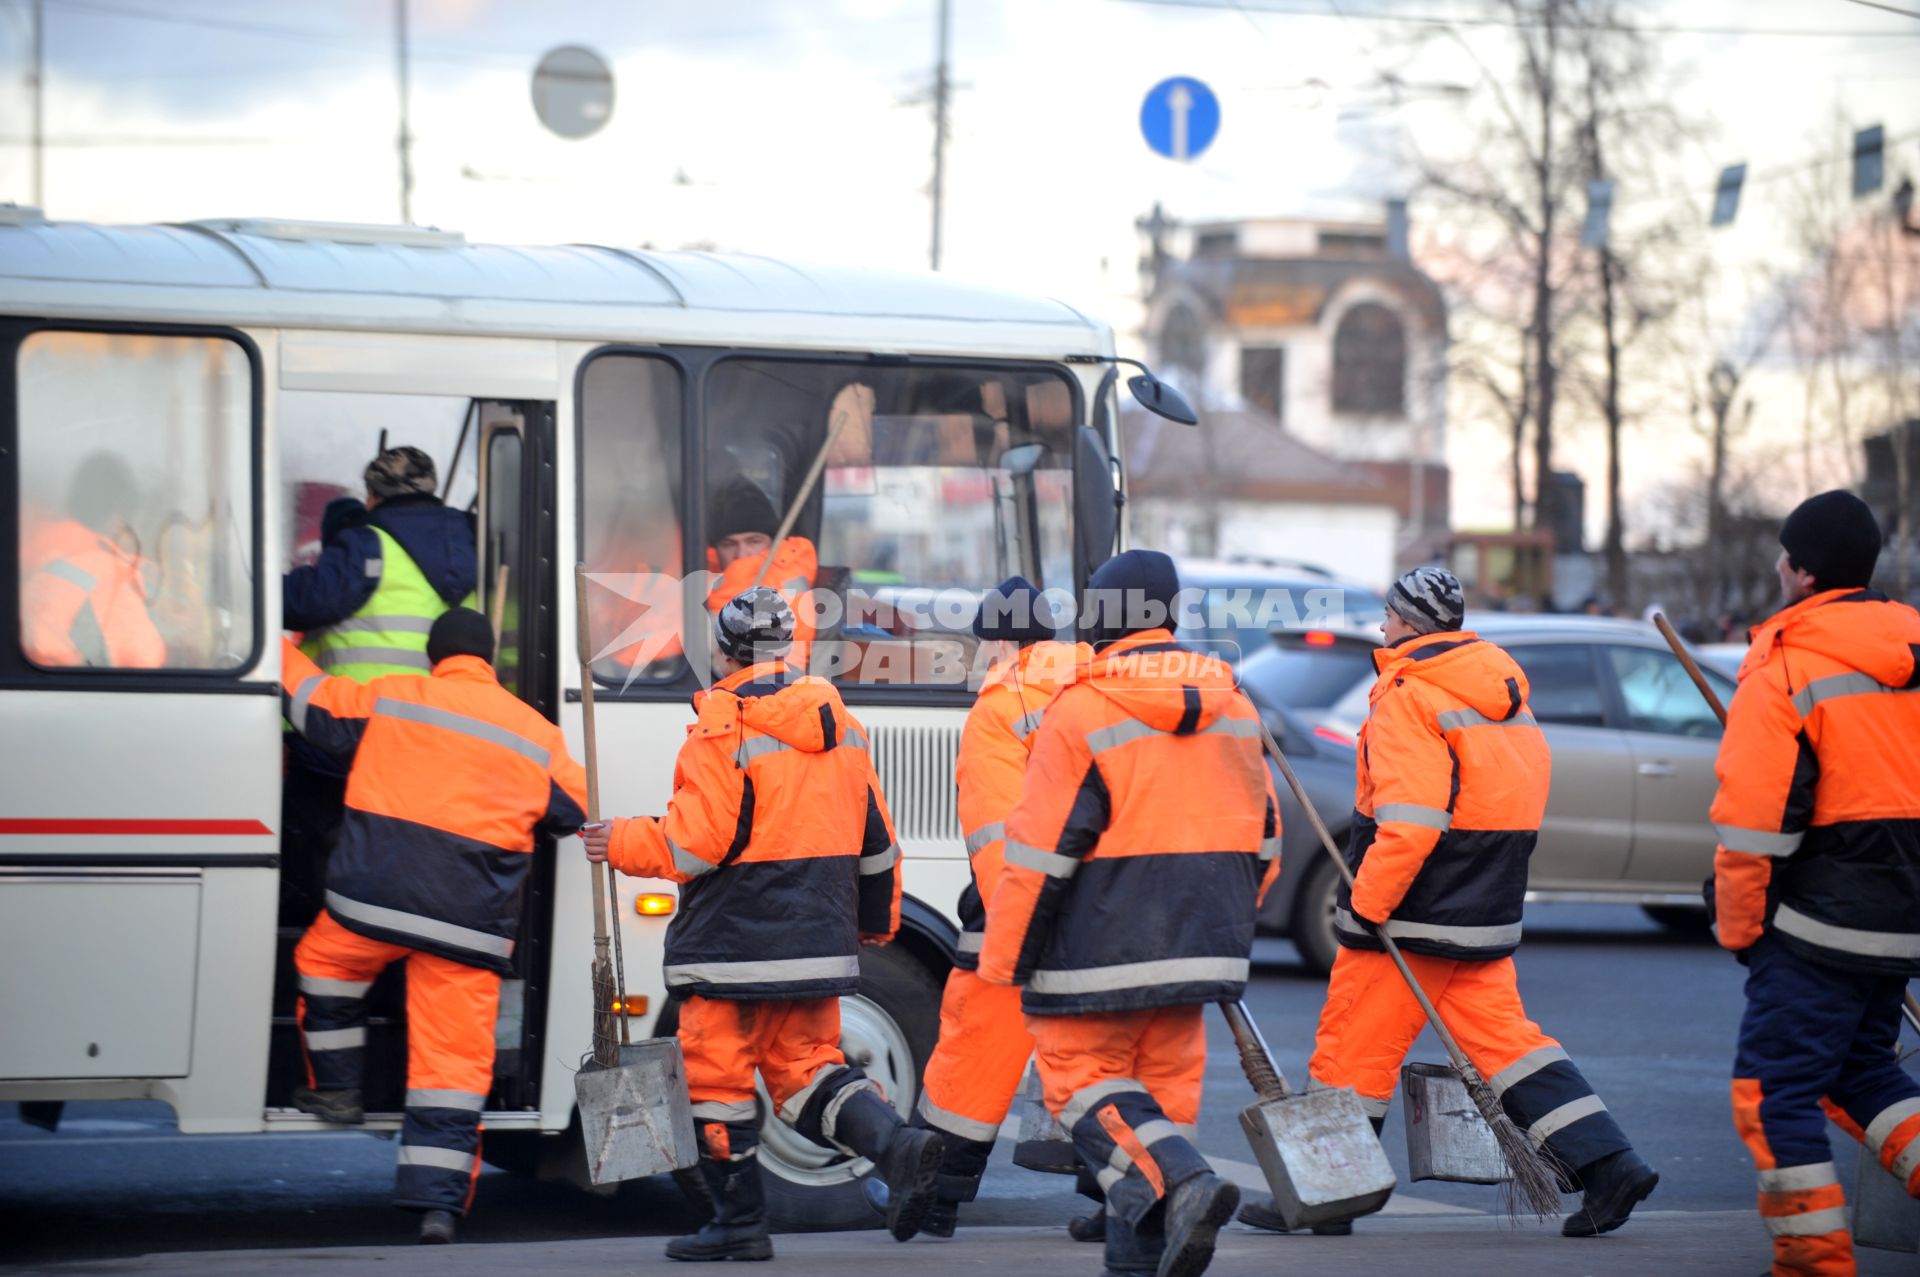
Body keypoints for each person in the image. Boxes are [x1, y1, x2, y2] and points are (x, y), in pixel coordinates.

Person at [1244, 566, 1658, 1239]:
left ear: (1408, 621)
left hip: (1416, 910)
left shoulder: (1410, 693)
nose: (1381, 625)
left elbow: (1409, 824)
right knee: (1512, 1047)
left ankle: (1329, 1193)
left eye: (1388, 613)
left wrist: (1366, 906)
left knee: (1352, 1045)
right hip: (1484, 906)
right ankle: (1611, 1164)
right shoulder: (1501, 690)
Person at [583, 587, 943, 1261]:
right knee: (809, 1070)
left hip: (733, 947)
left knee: (715, 1082)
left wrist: (621, 838)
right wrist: (869, 924)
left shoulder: (724, 726)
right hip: (816, 946)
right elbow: (879, 842)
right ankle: (895, 1145)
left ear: (723, 652)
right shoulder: (842, 726)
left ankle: (739, 1223)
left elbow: (696, 843)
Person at [978, 550, 1279, 1277]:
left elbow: (1042, 851)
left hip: (1100, 943)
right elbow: (1267, 834)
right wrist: (1224, 921)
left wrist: (1006, 958)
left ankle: (1186, 1183)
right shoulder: (1233, 702)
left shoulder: (1082, 707)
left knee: (1081, 1080)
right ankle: (1138, 1254)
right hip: (1202, 944)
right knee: (1160, 1098)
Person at [278, 607, 589, 1245]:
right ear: (491, 659)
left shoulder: (395, 697)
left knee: (325, 964)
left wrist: (273, 644)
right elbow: (574, 811)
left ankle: (338, 1090)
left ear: (432, 654)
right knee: (451, 1065)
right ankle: (437, 1208)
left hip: (373, 905)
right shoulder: (536, 733)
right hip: (470, 928)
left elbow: (314, 706)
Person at [1710, 491, 1920, 1277]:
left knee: (1773, 1094)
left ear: (1802, 572)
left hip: (1820, 922)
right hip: (1902, 914)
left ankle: (1813, 1263)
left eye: (1783, 555)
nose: (1775, 565)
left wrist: (1738, 927)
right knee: (1863, 1072)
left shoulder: (1787, 657)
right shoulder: (1912, 640)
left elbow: (1755, 825)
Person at [907, 576, 1086, 1236]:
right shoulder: (1090, 683)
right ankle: (1124, 1196)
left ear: (1003, 640)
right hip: (1101, 906)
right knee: (1101, 1056)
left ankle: (936, 1196)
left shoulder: (999, 708)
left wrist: (1008, 932)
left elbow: (997, 836)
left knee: (974, 1048)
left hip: (1021, 907)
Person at [281, 445, 479, 922]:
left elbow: (302, 603)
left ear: (372, 496)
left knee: (311, 836)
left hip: (354, 731)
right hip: (439, 731)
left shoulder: (367, 543)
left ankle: (329, 927)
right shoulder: (475, 541)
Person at [21, 453, 165, 669]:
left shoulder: (36, 560)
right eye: (138, 526)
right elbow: (142, 661)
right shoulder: (107, 575)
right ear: (117, 522)